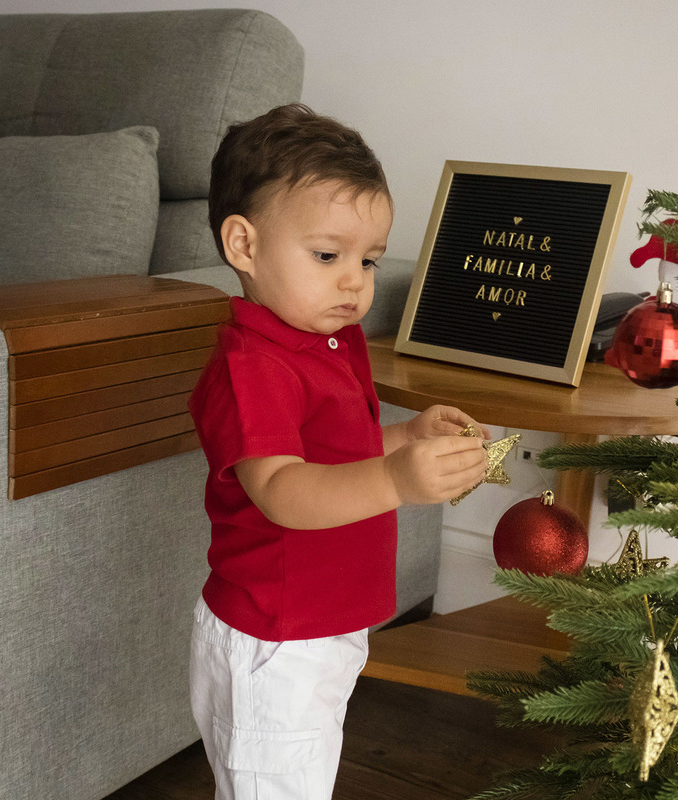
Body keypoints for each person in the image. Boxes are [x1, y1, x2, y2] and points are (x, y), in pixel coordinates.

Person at [188, 103, 489, 798]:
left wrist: (405, 439)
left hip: (321, 627)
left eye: (368, 260)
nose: (355, 280)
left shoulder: (328, 343)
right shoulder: (253, 367)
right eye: (328, 256)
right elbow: (283, 490)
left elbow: (335, 454)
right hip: (276, 639)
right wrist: (395, 479)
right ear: (244, 245)